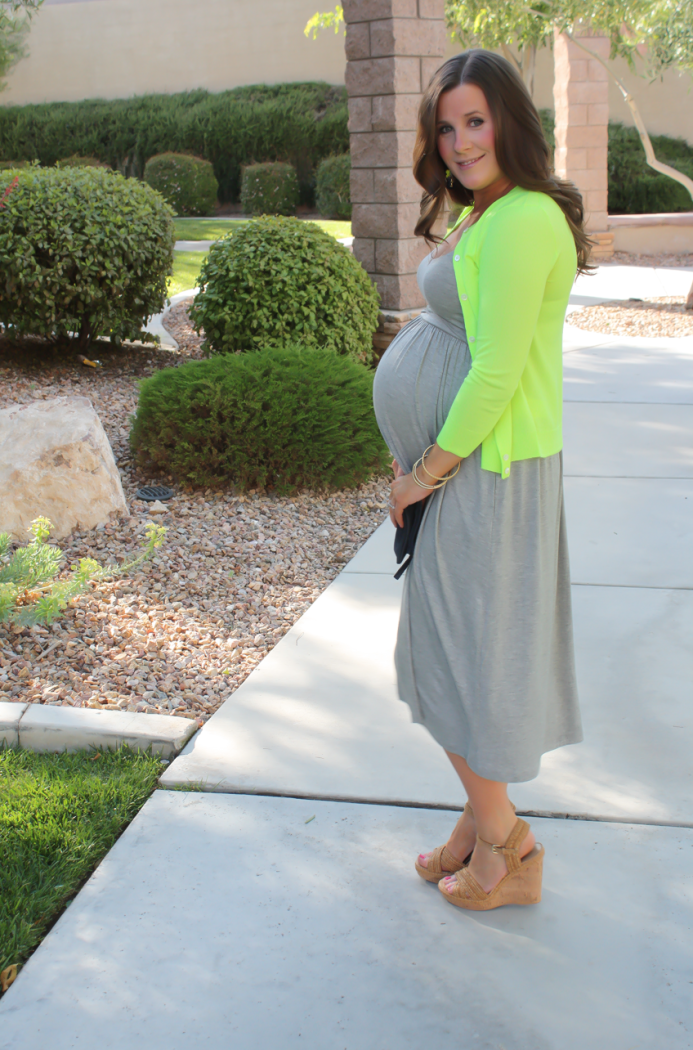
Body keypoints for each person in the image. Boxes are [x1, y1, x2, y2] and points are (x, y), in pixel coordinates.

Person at [372, 49, 588, 911]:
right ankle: (479, 824)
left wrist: (422, 474)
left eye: (475, 121)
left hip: (484, 475)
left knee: (464, 663)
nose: (459, 142)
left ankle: (508, 850)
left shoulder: (525, 216)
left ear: (509, 121)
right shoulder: (485, 212)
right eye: (446, 125)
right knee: (446, 659)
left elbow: (495, 373)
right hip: (464, 471)